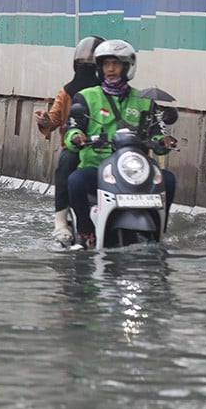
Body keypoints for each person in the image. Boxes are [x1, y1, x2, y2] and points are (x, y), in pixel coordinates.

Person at [63, 39, 177, 249]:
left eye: (116, 64)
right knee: (76, 180)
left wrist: (164, 141)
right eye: (106, 64)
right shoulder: (86, 97)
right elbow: (73, 128)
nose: (111, 69)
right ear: (100, 67)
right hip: (99, 167)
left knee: (168, 180)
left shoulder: (143, 100)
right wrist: (77, 137)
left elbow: (157, 132)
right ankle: (85, 232)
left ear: (127, 67)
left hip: (134, 170)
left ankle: (161, 229)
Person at [34, 35, 104, 245]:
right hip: (78, 147)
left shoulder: (110, 91)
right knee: (67, 162)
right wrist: (45, 119)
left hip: (108, 148)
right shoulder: (67, 92)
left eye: (92, 59)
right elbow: (54, 119)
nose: (87, 63)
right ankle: (61, 222)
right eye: (83, 60)